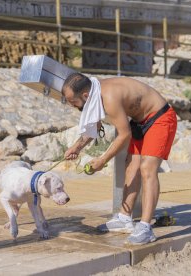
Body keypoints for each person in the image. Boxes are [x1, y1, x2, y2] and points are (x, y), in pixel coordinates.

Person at [62, 73, 177, 245]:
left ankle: (146, 227)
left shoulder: (108, 97)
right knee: (131, 166)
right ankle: (124, 218)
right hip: (140, 121)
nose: (72, 106)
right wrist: (76, 148)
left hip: (160, 118)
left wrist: (102, 160)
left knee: (147, 169)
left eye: (73, 102)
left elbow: (124, 135)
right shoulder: (94, 92)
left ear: (85, 95)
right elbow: (94, 125)